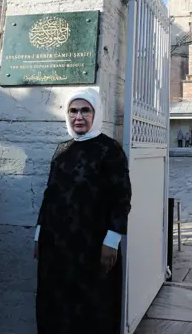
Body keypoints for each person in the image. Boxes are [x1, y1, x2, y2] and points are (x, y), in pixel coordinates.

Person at [34, 88, 132, 334]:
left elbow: (122, 198)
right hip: (55, 245)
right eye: (73, 111)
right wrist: (39, 235)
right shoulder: (62, 149)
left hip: (92, 246)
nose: (78, 116)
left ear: (95, 114)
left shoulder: (109, 150)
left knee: (92, 310)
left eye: (85, 110)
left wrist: (112, 240)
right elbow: (49, 194)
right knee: (55, 308)